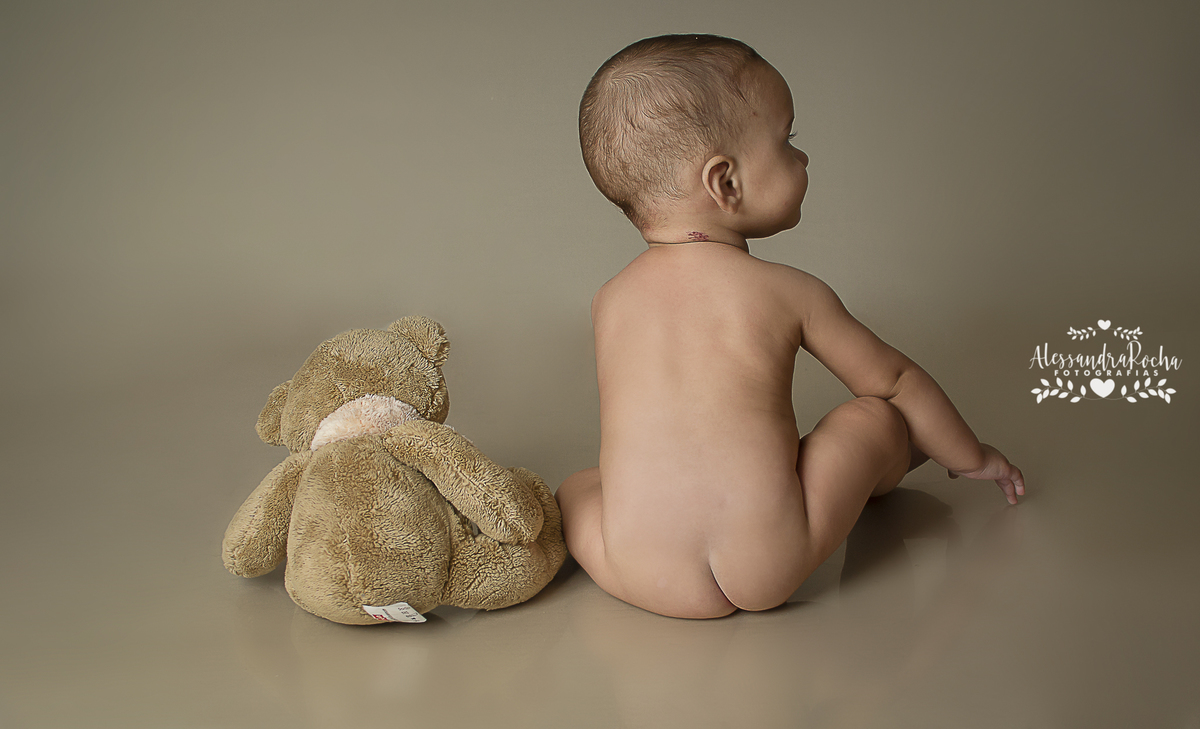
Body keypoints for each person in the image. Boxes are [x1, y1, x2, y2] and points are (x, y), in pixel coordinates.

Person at [556, 34, 1025, 619]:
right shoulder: (789, 292)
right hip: (767, 562)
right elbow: (896, 381)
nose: (802, 159)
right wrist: (970, 455)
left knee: (578, 487)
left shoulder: (609, 300)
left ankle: (542, 544)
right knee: (878, 417)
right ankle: (878, 477)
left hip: (642, 573)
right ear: (725, 183)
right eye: (787, 140)